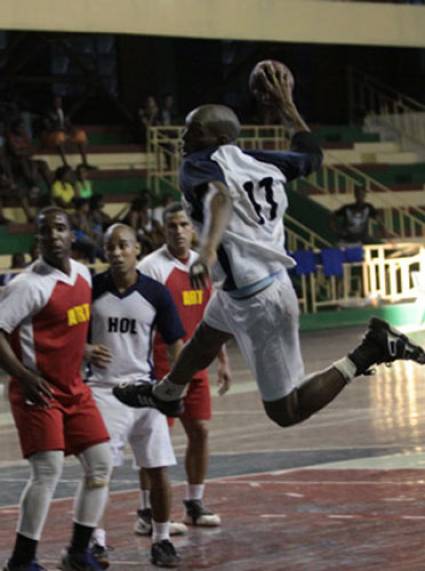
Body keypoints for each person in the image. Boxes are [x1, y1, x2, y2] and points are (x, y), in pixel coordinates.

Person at [113, 63, 425, 431]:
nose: (183, 136)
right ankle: (167, 393)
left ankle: (370, 350)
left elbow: (219, 197)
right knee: (205, 340)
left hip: (259, 301)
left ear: (215, 137)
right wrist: (286, 105)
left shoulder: (197, 163)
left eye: (192, 130)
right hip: (247, 288)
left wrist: (209, 248)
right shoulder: (261, 161)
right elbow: (311, 155)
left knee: (286, 411)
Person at [0, 206, 113, 571]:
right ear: (38, 239)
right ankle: (22, 561)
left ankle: (79, 552)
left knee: (100, 466)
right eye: (46, 231)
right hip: (39, 391)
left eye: (60, 228)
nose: (54, 236)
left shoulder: (82, 274)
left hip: (75, 388)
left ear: (71, 233)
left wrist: (85, 349)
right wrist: (23, 375)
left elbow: (60, 331)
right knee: (47, 471)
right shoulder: (27, 285)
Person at [86, 223, 186, 569]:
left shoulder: (156, 293)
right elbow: (69, 334)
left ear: (136, 250)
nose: (115, 252)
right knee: (100, 471)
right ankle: (95, 541)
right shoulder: (91, 289)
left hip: (145, 389)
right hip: (102, 390)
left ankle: (161, 540)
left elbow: (176, 342)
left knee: (158, 468)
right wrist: (85, 349)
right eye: (109, 247)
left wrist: (174, 386)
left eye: (122, 245)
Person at [138, 202, 232, 529]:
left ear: (193, 229)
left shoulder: (203, 265)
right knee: (155, 439)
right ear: (162, 231)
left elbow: (213, 314)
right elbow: (140, 318)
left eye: (183, 225)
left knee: (201, 431)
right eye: (171, 226)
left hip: (196, 363)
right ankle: (147, 513)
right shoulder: (151, 267)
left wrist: (222, 358)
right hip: (161, 366)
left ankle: (194, 503)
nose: (178, 231)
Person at [42, 96, 94, 169]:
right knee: (60, 136)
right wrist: (60, 130)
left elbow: (68, 125)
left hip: (64, 134)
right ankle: (66, 165)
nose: (58, 103)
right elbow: (48, 127)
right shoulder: (48, 112)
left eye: (60, 101)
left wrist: (73, 131)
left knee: (81, 134)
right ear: (53, 103)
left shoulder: (62, 111)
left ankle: (85, 163)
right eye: (56, 101)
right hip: (52, 135)